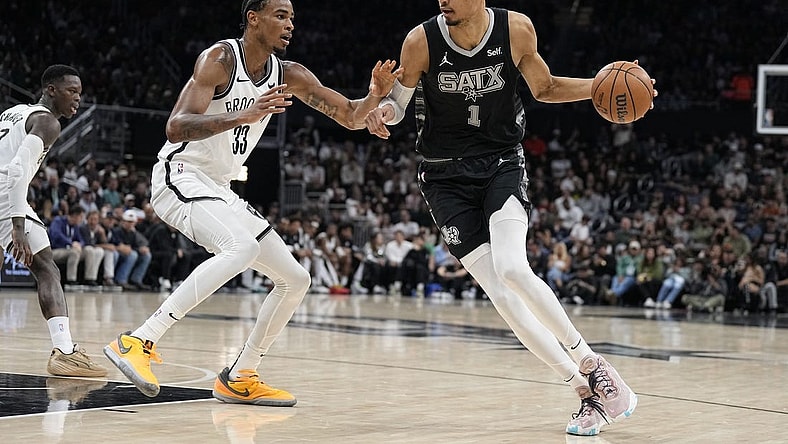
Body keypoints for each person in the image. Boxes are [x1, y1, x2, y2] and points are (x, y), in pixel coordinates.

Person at [363, 0, 656, 435]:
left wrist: (602, 82)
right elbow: (400, 104)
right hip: (443, 178)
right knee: (501, 296)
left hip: (500, 164)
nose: (443, 0)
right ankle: (584, 393)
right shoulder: (419, 40)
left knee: (514, 268)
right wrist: (382, 108)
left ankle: (592, 364)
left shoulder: (515, 29)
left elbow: (546, 87)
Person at [104, 0, 401, 406]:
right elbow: (175, 128)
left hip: (220, 187)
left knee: (296, 279)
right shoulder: (219, 59)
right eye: (281, 15)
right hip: (180, 174)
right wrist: (241, 116)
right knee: (240, 248)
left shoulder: (289, 73)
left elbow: (350, 116)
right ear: (253, 18)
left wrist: (372, 96)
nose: (290, 24)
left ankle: (239, 375)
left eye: (293, 17)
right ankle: (137, 341)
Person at [0, 64, 107, 377]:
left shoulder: (15, 112)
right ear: (50, 90)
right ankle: (65, 352)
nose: (77, 99)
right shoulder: (47, 121)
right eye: (71, 91)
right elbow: (18, 170)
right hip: (5, 194)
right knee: (46, 267)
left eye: (80, 93)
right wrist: (18, 227)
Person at [48, 205, 105, 288]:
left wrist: (79, 244)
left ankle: (90, 279)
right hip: (55, 250)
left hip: (70, 250)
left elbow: (81, 240)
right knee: (74, 252)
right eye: (81, 217)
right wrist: (71, 243)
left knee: (89, 250)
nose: (82, 219)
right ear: (75, 216)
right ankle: (71, 280)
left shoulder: (75, 226)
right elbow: (56, 235)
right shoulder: (58, 221)